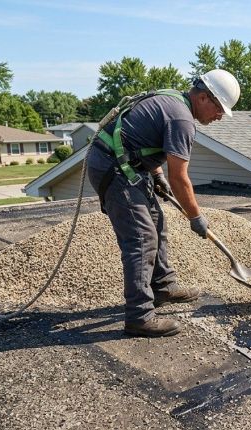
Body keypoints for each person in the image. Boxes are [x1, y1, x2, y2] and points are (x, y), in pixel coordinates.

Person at [87, 69, 241, 337]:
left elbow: (141, 138)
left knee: (157, 222)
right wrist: (195, 216)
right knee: (141, 239)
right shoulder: (182, 119)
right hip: (114, 168)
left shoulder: (173, 101)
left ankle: (163, 286)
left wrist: (157, 175)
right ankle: (139, 317)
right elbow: (180, 178)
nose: (219, 116)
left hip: (126, 165)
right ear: (204, 98)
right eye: (219, 109)